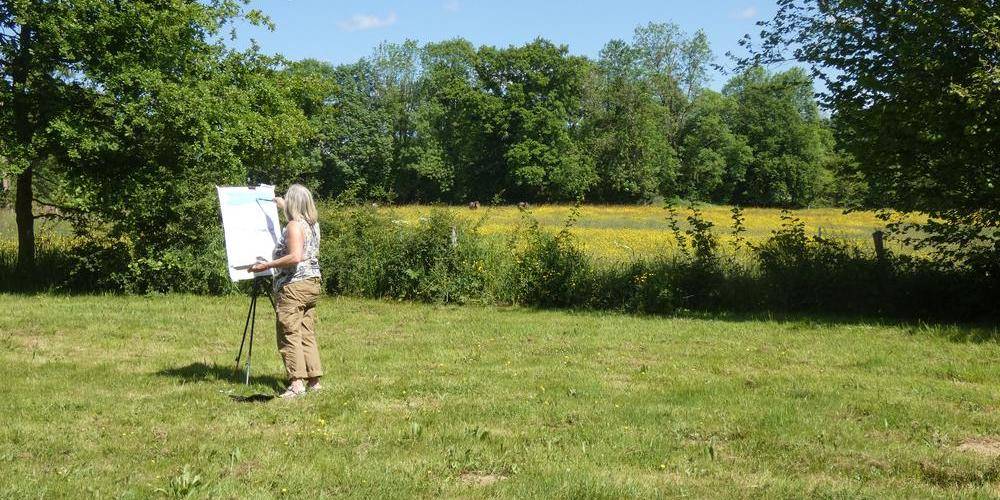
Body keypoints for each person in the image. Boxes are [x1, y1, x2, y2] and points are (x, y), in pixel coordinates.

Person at [249, 184, 323, 398]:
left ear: (293, 203)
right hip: (311, 283)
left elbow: (295, 256)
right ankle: (314, 382)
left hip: (293, 286)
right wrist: (281, 205)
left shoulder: (293, 226)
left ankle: (296, 385)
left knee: (289, 333)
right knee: (306, 333)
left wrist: (267, 265)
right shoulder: (312, 223)